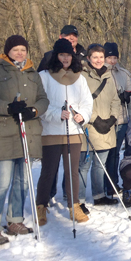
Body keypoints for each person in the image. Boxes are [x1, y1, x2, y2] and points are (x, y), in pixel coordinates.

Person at [0, 35, 49, 246]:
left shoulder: (33, 73)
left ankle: (15, 220)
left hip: (28, 132)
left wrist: (34, 111)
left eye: (23, 50)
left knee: (23, 181)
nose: (20, 53)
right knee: (2, 182)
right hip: (5, 134)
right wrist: (7, 107)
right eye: (16, 49)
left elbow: (44, 99)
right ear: (8, 51)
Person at [36, 39, 92, 226]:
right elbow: (40, 103)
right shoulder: (44, 76)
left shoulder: (80, 78)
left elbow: (87, 103)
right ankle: (41, 206)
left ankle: (74, 205)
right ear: (55, 56)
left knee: (72, 171)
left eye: (68, 55)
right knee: (49, 171)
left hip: (73, 131)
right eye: (62, 55)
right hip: (51, 131)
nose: (65, 58)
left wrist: (82, 116)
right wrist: (55, 114)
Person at [78, 44, 121, 210]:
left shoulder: (109, 76)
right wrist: (95, 119)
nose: (98, 60)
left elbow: (115, 100)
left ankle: (99, 195)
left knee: (100, 165)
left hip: (106, 127)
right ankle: (79, 200)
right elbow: (79, 101)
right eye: (94, 57)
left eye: (101, 57)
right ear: (88, 58)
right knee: (84, 165)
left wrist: (112, 119)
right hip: (88, 126)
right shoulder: (81, 76)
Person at [103, 42, 131, 196]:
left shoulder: (124, 73)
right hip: (106, 119)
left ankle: (113, 183)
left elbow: (130, 88)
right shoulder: (100, 72)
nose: (112, 61)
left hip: (122, 118)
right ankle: (106, 183)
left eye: (115, 57)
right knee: (107, 152)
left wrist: (127, 95)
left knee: (115, 153)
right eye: (110, 57)